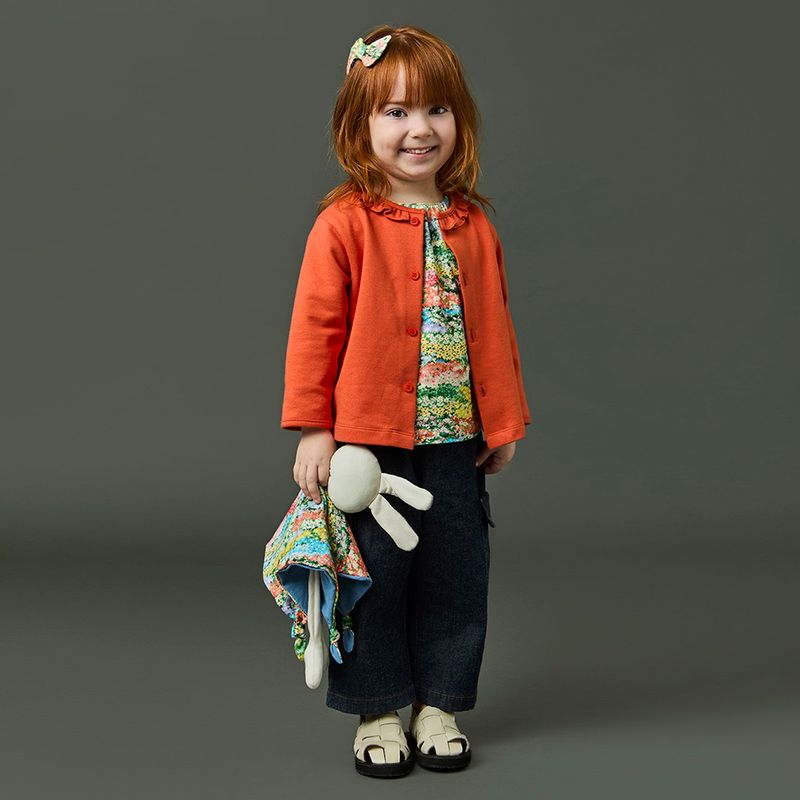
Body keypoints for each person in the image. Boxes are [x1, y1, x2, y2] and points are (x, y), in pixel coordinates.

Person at [280, 25, 533, 778]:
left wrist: (504, 421)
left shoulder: (472, 224)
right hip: (370, 445)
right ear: (358, 125)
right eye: (394, 112)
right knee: (377, 576)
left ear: (460, 120)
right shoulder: (344, 224)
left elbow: (497, 328)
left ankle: (439, 704)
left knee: (458, 574)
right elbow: (314, 331)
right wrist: (315, 429)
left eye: (435, 110)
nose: (418, 129)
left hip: (456, 439)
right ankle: (379, 708)